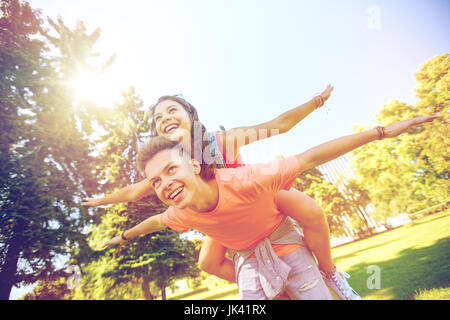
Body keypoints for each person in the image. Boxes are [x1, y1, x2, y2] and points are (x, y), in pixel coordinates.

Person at [101, 114, 437, 300]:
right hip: (245, 252)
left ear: (193, 162)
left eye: (171, 171)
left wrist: (380, 132)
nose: (164, 184)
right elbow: (155, 222)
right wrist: (123, 238)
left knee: (311, 213)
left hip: (270, 219)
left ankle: (329, 273)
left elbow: (308, 156)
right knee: (213, 264)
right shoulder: (180, 210)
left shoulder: (242, 175)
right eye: (155, 182)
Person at [84, 87, 360, 299]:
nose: (164, 118)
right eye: (158, 118)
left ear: (190, 114)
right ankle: (272, 284)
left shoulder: (219, 141)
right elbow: (134, 192)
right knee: (206, 261)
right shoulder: (169, 166)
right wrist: (102, 202)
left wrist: (317, 102)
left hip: (256, 196)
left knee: (309, 209)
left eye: (171, 110)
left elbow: (281, 124)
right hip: (225, 221)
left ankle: (329, 273)